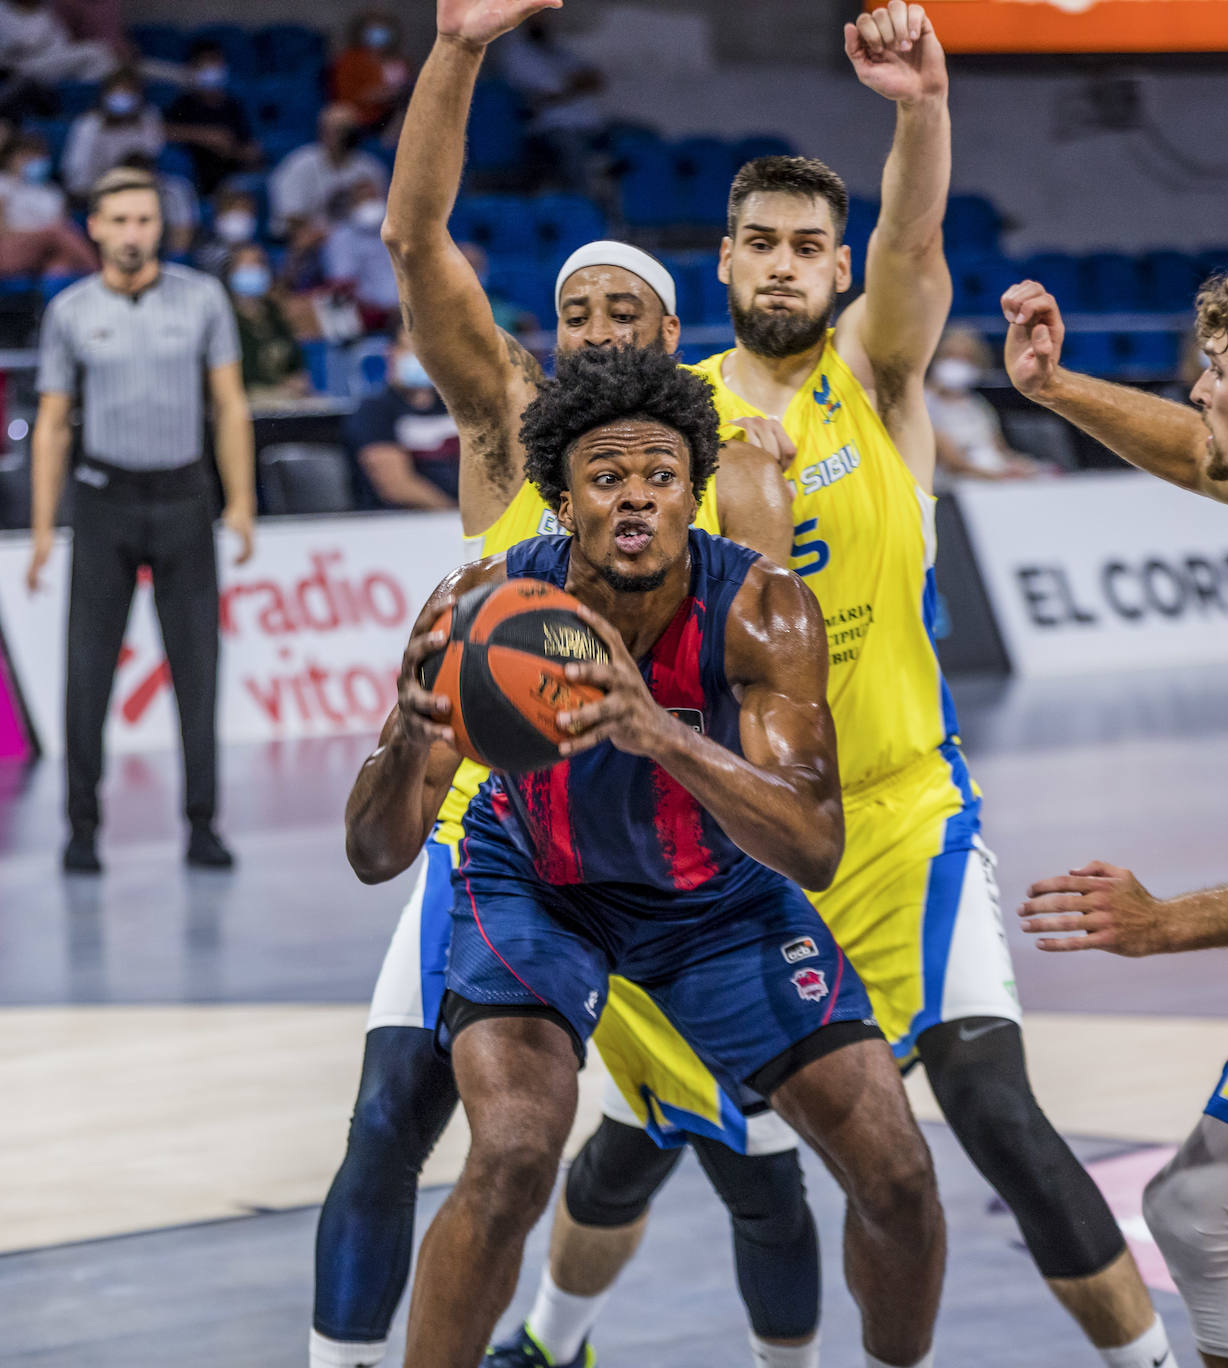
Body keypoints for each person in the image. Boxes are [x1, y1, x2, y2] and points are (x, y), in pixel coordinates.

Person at [493, 7, 1178, 1368]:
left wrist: (921, 107)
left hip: (896, 819)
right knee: (644, 1134)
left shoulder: (876, 372)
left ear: (838, 267)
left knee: (988, 1108)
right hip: (727, 840)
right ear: (726, 258)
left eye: (814, 246)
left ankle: (1143, 1362)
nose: (787, 265)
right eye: (763, 241)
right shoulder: (666, 424)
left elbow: (918, 247)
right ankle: (547, 1337)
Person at [309, 5, 796, 1361]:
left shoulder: (717, 461)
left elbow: (755, 658)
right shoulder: (505, 421)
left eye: (620, 310)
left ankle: (558, 1329)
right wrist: (458, 49)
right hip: (501, 832)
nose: (591, 329)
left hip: (673, 849)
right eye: (573, 308)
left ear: (668, 327)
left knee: (748, 1154)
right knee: (400, 1116)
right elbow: (415, 240)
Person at [345, 341, 947, 1368]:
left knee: (896, 1177)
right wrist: (408, 737)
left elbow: (813, 845)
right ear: (562, 500)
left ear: (694, 491)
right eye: (606, 478)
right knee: (514, 1156)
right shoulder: (484, 608)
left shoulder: (761, 607)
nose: (636, 500)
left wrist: (660, 730)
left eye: (661, 477)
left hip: (716, 899)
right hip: (541, 886)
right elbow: (374, 854)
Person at [1008, 259, 1228, 1368]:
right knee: (1198, 1214)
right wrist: (1053, 387)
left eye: (1216, 369)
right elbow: (1184, 448)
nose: (1196, 387)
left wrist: (1169, 923)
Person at [27, 164, 255, 874]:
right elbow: (54, 424)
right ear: (94, 228)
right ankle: (82, 829)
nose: (132, 234)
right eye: (119, 221)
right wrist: (42, 528)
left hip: (185, 501)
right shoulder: (68, 311)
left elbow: (230, 405)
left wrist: (241, 501)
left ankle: (203, 825)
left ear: (161, 227)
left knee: (198, 670)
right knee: (87, 671)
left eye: (144, 221)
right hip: (103, 504)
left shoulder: (203, 299)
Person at [490, 7, 605, 192]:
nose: (543, 20)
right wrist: (576, 84)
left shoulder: (558, 51)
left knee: (634, 142)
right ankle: (582, 207)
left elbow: (598, 80)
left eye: (546, 15)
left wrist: (570, 86)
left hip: (589, 126)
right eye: (536, 16)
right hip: (551, 128)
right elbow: (553, 88)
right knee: (573, 159)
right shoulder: (518, 53)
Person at [344, 332, 458, 508]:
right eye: (410, 349)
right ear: (391, 353)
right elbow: (396, 486)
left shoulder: (461, 407)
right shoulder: (374, 411)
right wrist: (456, 517)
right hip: (405, 523)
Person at [925, 326, 1043, 482]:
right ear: (936, 357)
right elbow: (952, 463)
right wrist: (999, 476)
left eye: (966, 358)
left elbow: (1000, 449)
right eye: (951, 355)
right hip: (952, 485)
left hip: (990, 477)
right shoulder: (924, 402)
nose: (958, 363)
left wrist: (1021, 465)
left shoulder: (976, 404)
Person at [268, 103, 388, 240]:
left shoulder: (370, 167)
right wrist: (328, 234)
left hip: (358, 241)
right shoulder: (298, 165)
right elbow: (291, 217)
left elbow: (381, 215)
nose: (345, 136)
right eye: (339, 130)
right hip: (313, 241)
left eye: (348, 130)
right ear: (322, 132)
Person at [164, 38, 258, 196]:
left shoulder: (233, 105)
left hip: (232, 174)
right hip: (197, 174)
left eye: (215, 63)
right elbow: (165, 131)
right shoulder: (184, 104)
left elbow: (246, 143)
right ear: (194, 69)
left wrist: (238, 150)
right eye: (205, 64)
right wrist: (206, 137)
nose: (212, 69)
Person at [0, 130, 98, 277]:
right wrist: (41, 234)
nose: (33, 161)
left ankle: (47, 296)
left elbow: (66, 230)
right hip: (9, 250)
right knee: (56, 231)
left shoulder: (53, 193)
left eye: (38, 156)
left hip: (46, 251)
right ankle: (101, 273)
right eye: (27, 156)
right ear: (10, 159)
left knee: (61, 265)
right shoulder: (3, 184)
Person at [60, 66, 163, 200]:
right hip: (93, 187)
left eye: (128, 92)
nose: (122, 97)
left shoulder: (148, 118)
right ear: (105, 95)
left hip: (137, 183)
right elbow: (77, 169)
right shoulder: (89, 124)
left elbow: (151, 155)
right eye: (117, 92)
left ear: (139, 96)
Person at [224, 242, 309, 400]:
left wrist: (297, 380)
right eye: (246, 264)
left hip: (285, 401)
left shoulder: (275, 314)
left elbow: (296, 364)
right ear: (230, 272)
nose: (253, 269)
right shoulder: (223, 318)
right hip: (245, 402)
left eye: (258, 263)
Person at [323, 179, 399, 330]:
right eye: (364, 199)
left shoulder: (399, 230)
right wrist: (381, 311)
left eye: (374, 198)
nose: (371, 204)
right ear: (352, 206)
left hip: (410, 307)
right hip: (372, 315)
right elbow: (343, 283)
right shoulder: (342, 238)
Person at [330, 9, 413, 134]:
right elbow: (348, 95)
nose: (378, 34)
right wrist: (381, 94)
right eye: (373, 29)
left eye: (383, 29)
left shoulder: (400, 62)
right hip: (358, 116)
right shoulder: (350, 60)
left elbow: (408, 89)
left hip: (392, 116)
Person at [193, 183, 260, 279]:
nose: (238, 217)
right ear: (217, 216)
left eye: (244, 210)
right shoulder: (203, 256)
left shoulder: (263, 255)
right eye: (231, 209)